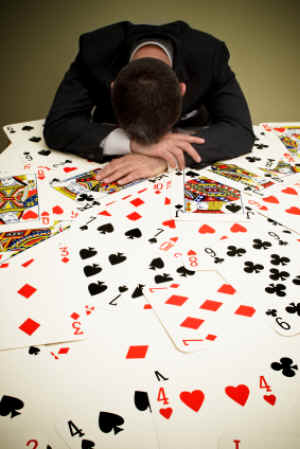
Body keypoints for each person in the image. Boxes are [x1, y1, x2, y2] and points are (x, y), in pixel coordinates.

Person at [44, 21, 254, 185]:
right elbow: (59, 125)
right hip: (110, 157)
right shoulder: (94, 51)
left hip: (185, 160)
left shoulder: (209, 55)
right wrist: (132, 145)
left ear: (182, 90)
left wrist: (164, 158)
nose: (154, 145)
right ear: (113, 87)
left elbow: (239, 130)